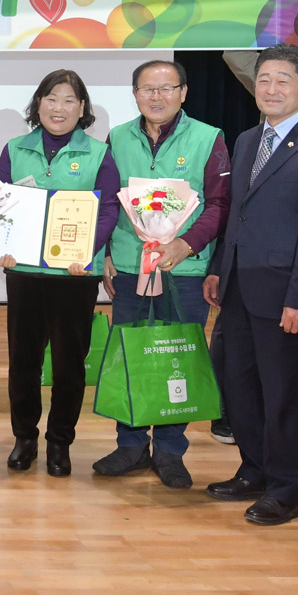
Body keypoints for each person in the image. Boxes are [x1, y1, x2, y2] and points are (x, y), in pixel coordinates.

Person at [201, 45, 298, 525]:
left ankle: (287, 489)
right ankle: (254, 469)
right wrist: (219, 267)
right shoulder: (247, 140)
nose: (271, 89)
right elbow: (236, 215)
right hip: (239, 288)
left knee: (285, 394)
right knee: (240, 386)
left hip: (286, 296)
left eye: (284, 80)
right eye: (264, 79)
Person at [95, 59, 231, 489]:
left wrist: (185, 244)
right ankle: (131, 445)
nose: (157, 96)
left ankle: (171, 450)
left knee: (178, 357)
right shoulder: (118, 137)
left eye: (167, 88)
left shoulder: (209, 137)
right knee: (130, 354)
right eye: (147, 89)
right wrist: (105, 254)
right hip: (129, 267)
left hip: (184, 269)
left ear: (183, 92)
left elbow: (219, 204)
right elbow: (108, 202)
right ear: (135, 94)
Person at [0, 69, 120, 478]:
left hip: (75, 275)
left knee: (69, 364)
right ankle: (24, 438)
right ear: (38, 103)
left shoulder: (98, 153)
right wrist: (0, 246)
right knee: (23, 361)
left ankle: (60, 441)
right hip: (24, 272)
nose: (58, 108)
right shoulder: (15, 149)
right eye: (51, 98)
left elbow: (110, 209)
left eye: (68, 100)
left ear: (82, 108)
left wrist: (87, 250)